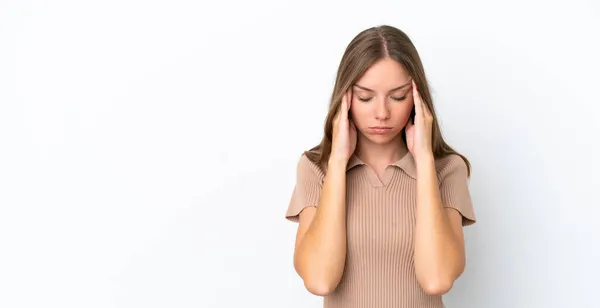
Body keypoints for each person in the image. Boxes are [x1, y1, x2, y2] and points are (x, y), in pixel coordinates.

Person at [284, 25, 477, 308]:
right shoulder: (316, 169)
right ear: (345, 98)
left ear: (417, 97)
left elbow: (437, 279)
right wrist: (338, 162)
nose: (382, 113)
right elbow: (319, 280)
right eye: (365, 97)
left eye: (398, 96)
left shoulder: (447, 170)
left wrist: (424, 161)